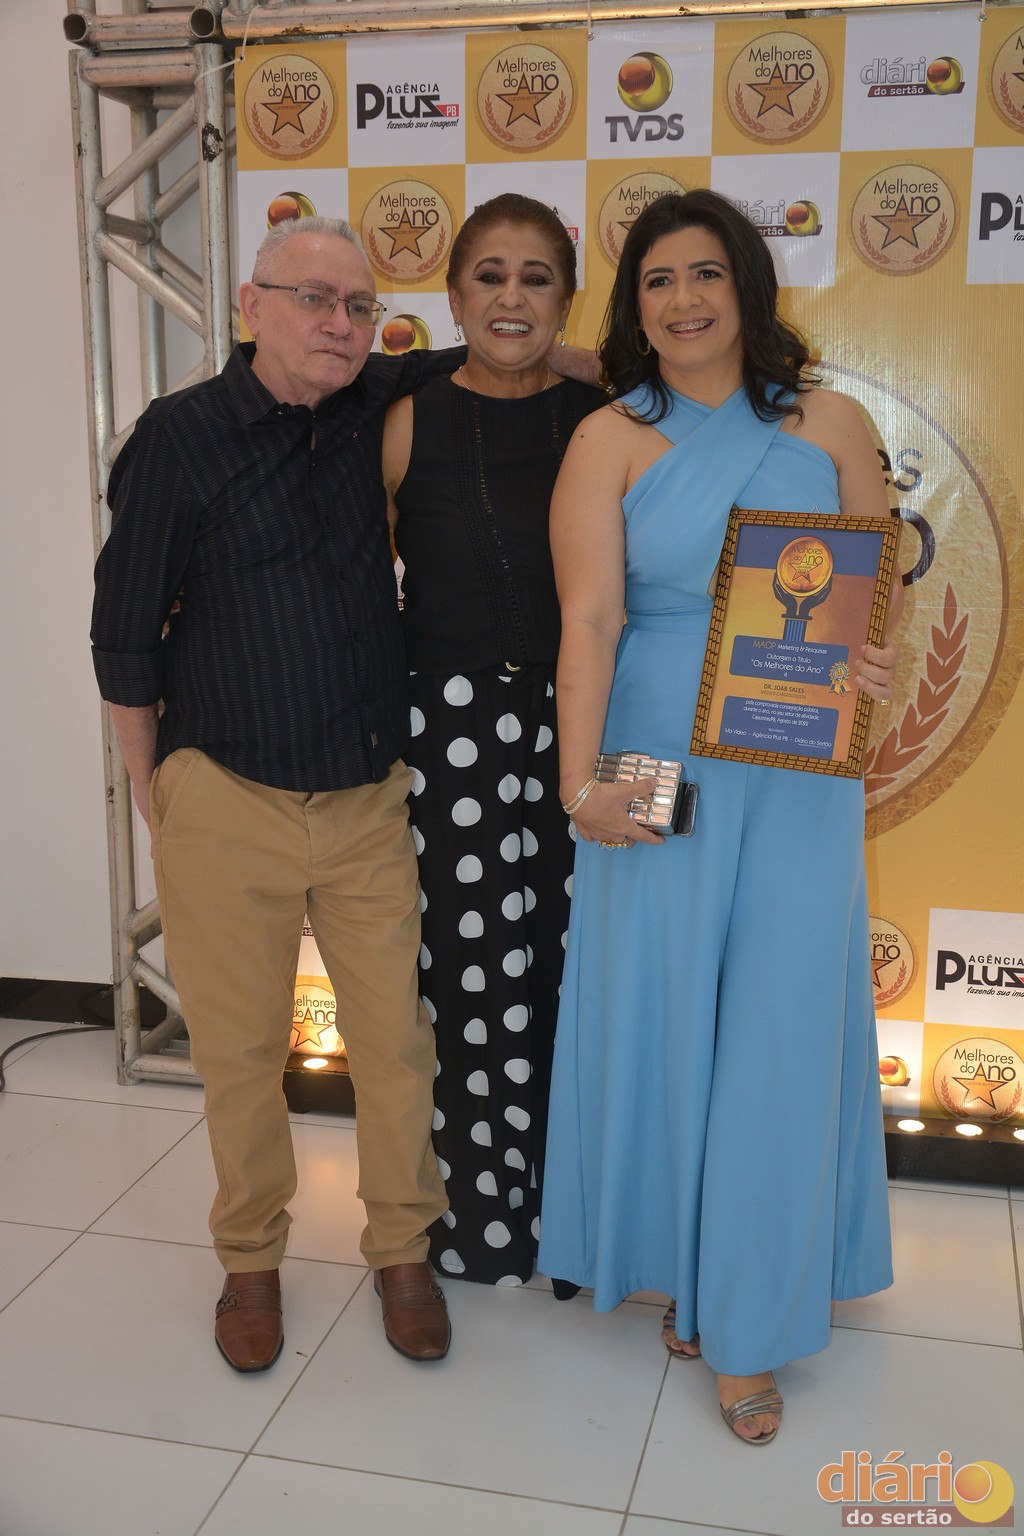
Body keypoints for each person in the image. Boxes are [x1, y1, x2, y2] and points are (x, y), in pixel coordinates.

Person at [537, 190, 900, 1444]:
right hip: (649, 757)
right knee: (663, 1009)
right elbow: (588, 624)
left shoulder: (831, 423)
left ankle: (745, 1320)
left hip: (796, 764)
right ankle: (681, 1276)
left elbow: (869, 592)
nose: (682, 300)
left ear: (746, 287)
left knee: (779, 1031)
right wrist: (580, 786)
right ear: (633, 307)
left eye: (704, 274)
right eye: (656, 281)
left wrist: (868, 662)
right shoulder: (606, 438)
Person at [91, 216, 466, 1371]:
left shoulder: (367, 400)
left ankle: (403, 1249)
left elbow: (491, 349)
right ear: (251, 306)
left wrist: (591, 357)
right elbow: (122, 632)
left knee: (394, 1044)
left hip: (364, 800)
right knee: (241, 1054)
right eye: (314, 300)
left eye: (358, 307)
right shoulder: (178, 438)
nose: (339, 325)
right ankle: (250, 1261)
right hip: (226, 792)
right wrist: (155, 786)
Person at [382, 194, 605, 1287]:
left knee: (588, 971)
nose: (511, 297)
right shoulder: (406, 417)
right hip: (449, 739)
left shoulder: (609, 412)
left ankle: (586, 1230)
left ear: (566, 299)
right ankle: (476, 1225)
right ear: (453, 293)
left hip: (599, 728)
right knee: (465, 982)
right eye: (490, 275)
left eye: (536, 277)